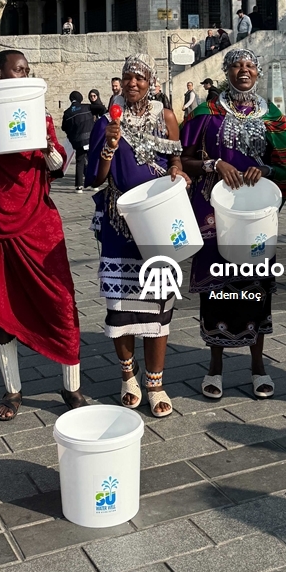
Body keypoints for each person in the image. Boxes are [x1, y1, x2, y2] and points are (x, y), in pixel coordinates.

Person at [0, 50, 85, 420]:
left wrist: (45, 148)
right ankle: (12, 391)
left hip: (37, 222)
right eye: (18, 70)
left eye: (28, 70)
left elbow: (57, 161)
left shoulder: (39, 111)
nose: (25, 74)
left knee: (60, 301)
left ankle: (71, 388)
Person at [181, 49, 286, 400]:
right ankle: (215, 367)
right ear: (226, 71)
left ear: (258, 73)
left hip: (255, 216)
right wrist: (215, 164)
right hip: (217, 216)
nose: (243, 71)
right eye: (236, 66)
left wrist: (268, 172)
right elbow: (183, 159)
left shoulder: (272, 117)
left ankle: (258, 367)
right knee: (217, 291)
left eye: (249, 66)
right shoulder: (207, 112)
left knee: (254, 291)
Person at [87, 54, 189, 418]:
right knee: (121, 308)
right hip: (120, 225)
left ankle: (155, 382)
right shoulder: (105, 123)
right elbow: (95, 179)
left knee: (159, 306)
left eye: (140, 77)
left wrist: (178, 172)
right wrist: (110, 147)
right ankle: (128, 377)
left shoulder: (166, 117)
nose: (133, 83)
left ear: (151, 82)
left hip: (159, 222)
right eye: (128, 77)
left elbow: (177, 159)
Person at [62, 92, 93, 193]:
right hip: (89, 138)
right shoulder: (87, 107)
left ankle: (79, 186)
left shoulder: (67, 113)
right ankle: (93, 182)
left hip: (78, 140)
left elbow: (64, 127)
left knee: (80, 161)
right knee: (91, 160)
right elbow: (101, 108)